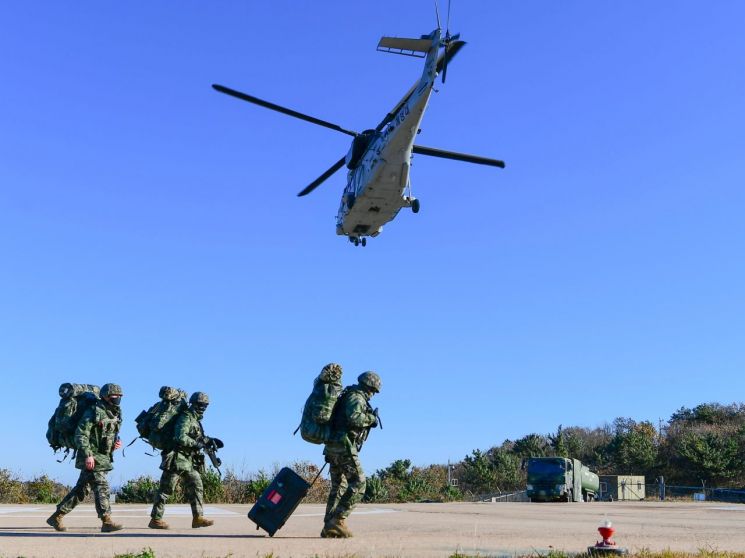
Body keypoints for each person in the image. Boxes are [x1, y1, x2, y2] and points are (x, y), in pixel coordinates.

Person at [46, 383, 124, 533]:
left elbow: (110, 433)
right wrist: (88, 455)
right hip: (91, 456)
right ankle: (106, 521)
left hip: (103, 456)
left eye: (120, 396)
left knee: (81, 490)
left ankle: (57, 516)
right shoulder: (93, 411)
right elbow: (81, 434)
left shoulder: (115, 412)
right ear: (106, 396)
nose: (118, 398)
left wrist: (115, 443)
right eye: (115, 396)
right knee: (102, 486)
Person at [322, 371, 381, 538]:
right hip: (343, 446)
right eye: (373, 391)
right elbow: (354, 419)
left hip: (333, 445)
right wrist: (371, 419)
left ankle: (329, 525)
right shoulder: (356, 397)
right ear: (369, 386)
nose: (372, 395)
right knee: (359, 483)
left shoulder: (348, 394)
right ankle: (338, 520)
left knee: (339, 486)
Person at [148, 391, 214, 529]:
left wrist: (208, 441)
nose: (202, 408)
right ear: (193, 403)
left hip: (187, 461)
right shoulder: (185, 417)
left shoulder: (195, 420)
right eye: (200, 404)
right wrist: (196, 444)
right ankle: (155, 519)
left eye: (205, 406)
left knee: (197, 485)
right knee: (166, 490)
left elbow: (195, 437)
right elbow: (180, 437)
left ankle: (198, 518)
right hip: (176, 459)